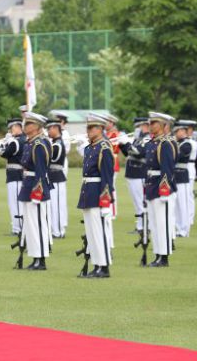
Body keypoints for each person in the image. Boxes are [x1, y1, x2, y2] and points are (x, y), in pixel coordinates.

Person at [78, 112, 115, 278]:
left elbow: (107, 177)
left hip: (98, 194)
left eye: (92, 128)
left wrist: (106, 201)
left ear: (100, 129)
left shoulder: (104, 148)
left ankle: (104, 266)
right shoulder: (90, 148)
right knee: (92, 233)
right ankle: (96, 264)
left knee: (100, 232)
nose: (89, 131)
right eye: (88, 127)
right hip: (88, 191)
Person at [19, 112, 52, 270]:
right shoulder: (30, 143)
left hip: (35, 186)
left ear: (37, 127)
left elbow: (40, 170)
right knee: (30, 224)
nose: (25, 127)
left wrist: (37, 191)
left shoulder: (39, 144)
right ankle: (35, 257)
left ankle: (41, 259)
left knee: (38, 223)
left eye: (28, 124)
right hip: (28, 184)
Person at [144, 111, 177, 267]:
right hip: (151, 185)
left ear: (164, 126)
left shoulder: (165, 143)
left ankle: (164, 257)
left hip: (161, 186)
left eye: (154, 123)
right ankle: (157, 254)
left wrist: (165, 189)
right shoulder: (152, 143)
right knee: (154, 224)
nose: (151, 126)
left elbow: (167, 169)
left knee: (162, 223)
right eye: (150, 123)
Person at [118, 117, 149, 233]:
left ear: (145, 126)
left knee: (141, 202)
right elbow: (129, 153)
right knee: (136, 202)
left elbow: (139, 152)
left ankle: (143, 226)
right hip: (132, 172)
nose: (136, 129)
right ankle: (140, 226)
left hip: (139, 172)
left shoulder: (147, 138)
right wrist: (122, 144)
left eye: (138, 126)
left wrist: (127, 143)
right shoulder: (138, 139)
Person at [0, 118, 26, 236]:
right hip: (17, 174)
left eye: (12, 128)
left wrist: (2, 144)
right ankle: (18, 227)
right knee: (16, 202)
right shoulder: (23, 140)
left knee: (15, 203)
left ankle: (18, 228)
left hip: (15, 175)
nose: (10, 130)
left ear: (18, 127)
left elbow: (3, 153)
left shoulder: (15, 142)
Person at [46, 118, 67, 239]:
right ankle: (55, 230)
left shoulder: (57, 145)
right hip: (53, 178)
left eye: (50, 128)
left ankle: (58, 231)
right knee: (53, 206)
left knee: (57, 207)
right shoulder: (54, 143)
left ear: (55, 128)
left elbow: (50, 159)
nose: (48, 130)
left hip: (57, 178)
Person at [173, 121, 193, 238]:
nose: (176, 133)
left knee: (183, 205)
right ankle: (179, 228)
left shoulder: (187, 144)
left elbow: (177, 156)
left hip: (182, 176)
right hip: (175, 177)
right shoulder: (176, 143)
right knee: (176, 206)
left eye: (178, 131)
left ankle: (185, 229)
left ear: (184, 132)